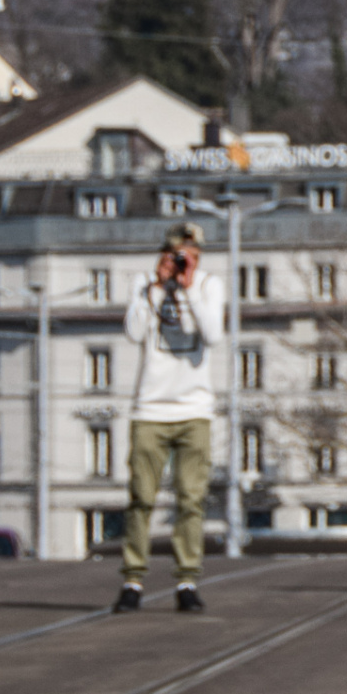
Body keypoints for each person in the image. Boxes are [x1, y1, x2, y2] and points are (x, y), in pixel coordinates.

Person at [116, 223, 227, 612]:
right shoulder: (146, 283)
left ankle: (186, 581)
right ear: (164, 253)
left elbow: (212, 334)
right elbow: (132, 332)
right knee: (141, 497)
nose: (184, 259)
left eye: (190, 253)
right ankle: (133, 580)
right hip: (150, 408)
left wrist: (188, 287)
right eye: (177, 253)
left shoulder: (209, 285)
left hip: (195, 409)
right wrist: (158, 290)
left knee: (191, 499)